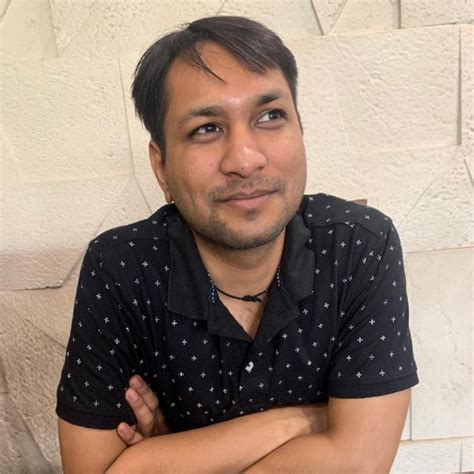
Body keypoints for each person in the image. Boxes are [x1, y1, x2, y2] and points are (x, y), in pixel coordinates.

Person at [56, 16, 418, 473]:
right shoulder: (121, 269)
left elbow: (361, 463)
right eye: (206, 128)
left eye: (270, 116)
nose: (245, 160)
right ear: (161, 167)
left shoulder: (360, 246)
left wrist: (164, 458)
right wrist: (301, 423)